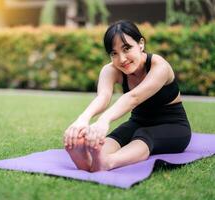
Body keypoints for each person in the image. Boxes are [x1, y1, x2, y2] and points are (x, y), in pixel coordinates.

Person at [63, 20, 192, 172]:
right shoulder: (110, 70)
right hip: (138, 121)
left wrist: (104, 120)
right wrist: (82, 120)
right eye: (114, 53)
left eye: (127, 48)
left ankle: (108, 162)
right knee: (118, 135)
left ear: (141, 44)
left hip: (173, 126)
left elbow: (133, 97)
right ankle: (88, 160)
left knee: (143, 134)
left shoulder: (159, 66)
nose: (122, 59)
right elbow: (103, 97)